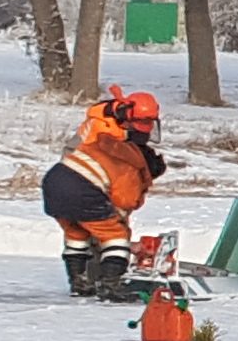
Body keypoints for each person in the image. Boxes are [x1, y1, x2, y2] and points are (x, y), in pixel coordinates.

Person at [43, 87, 164, 298]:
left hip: (55, 181)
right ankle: (111, 286)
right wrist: (125, 243)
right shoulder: (129, 167)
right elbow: (122, 203)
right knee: (114, 236)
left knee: (76, 234)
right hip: (83, 187)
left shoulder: (109, 138)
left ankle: (80, 283)